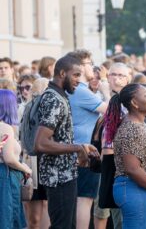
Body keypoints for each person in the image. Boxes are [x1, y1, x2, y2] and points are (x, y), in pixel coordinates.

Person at [34, 54, 99, 229]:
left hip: (65, 174)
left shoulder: (60, 95)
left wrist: (81, 147)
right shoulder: (54, 99)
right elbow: (40, 143)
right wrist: (77, 147)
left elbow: (59, 137)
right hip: (58, 177)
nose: (79, 80)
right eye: (76, 75)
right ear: (62, 73)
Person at [109, 83, 146, 228]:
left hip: (143, 188)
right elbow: (132, 169)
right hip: (135, 189)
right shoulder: (131, 128)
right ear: (134, 103)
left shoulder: (139, 123)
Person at [67, 49, 108, 229]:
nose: (93, 66)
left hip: (76, 149)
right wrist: (106, 88)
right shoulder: (81, 91)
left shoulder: (75, 90)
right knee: (85, 199)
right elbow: (110, 110)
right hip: (85, 152)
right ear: (81, 67)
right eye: (90, 63)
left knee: (79, 199)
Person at [94, 62, 132, 229]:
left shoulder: (127, 100)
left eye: (121, 75)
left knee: (121, 214)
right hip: (108, 161)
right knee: (109, 210)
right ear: (107, 77)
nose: (117, 78)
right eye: (113, 74)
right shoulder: (101, 96)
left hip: (122, 162)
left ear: (128, 79)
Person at [0, 89, 32, 228]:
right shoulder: (5, 128)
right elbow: (9, 158)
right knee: (7, 218)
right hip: (5, 176)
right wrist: (25, 168)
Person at [22, 78, 51, 229]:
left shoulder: (26, 108)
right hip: (40, 161)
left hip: (32, 162)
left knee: (35, 214)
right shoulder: (31, 109)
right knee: (42, 208)